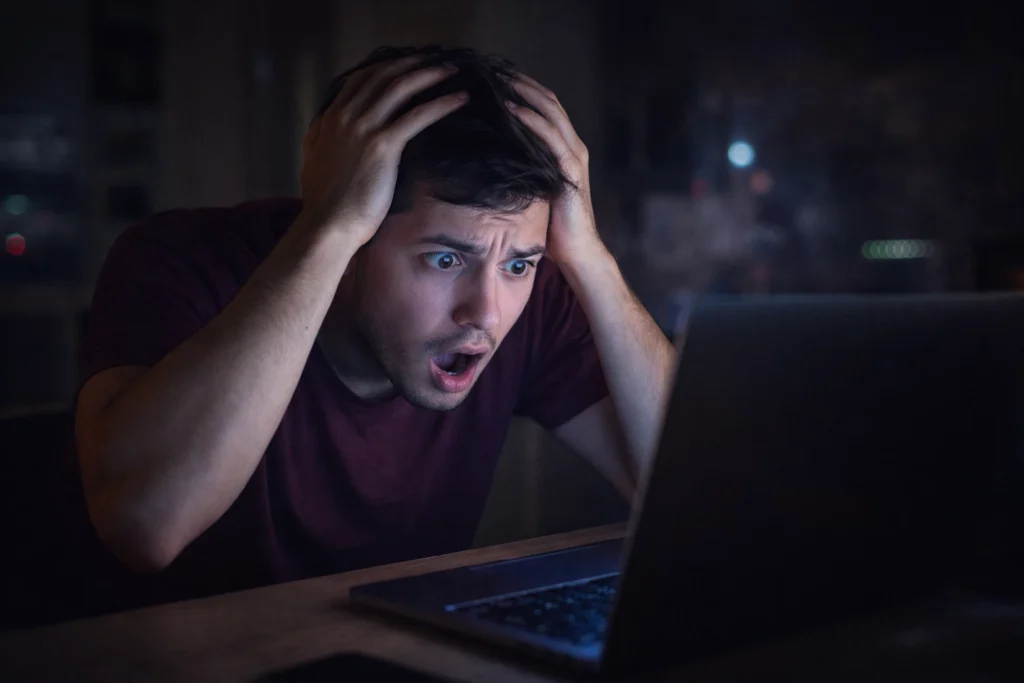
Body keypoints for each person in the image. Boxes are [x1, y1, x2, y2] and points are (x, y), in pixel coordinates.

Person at [74, 46, 678, 604]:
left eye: (520, 262)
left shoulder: (533, 296)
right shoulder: (180, 259)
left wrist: (590, 258)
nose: (487, 313)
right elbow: (144, 527)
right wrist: (327, 230)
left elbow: (687, 496)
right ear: (356, 222)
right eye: (444, 259)